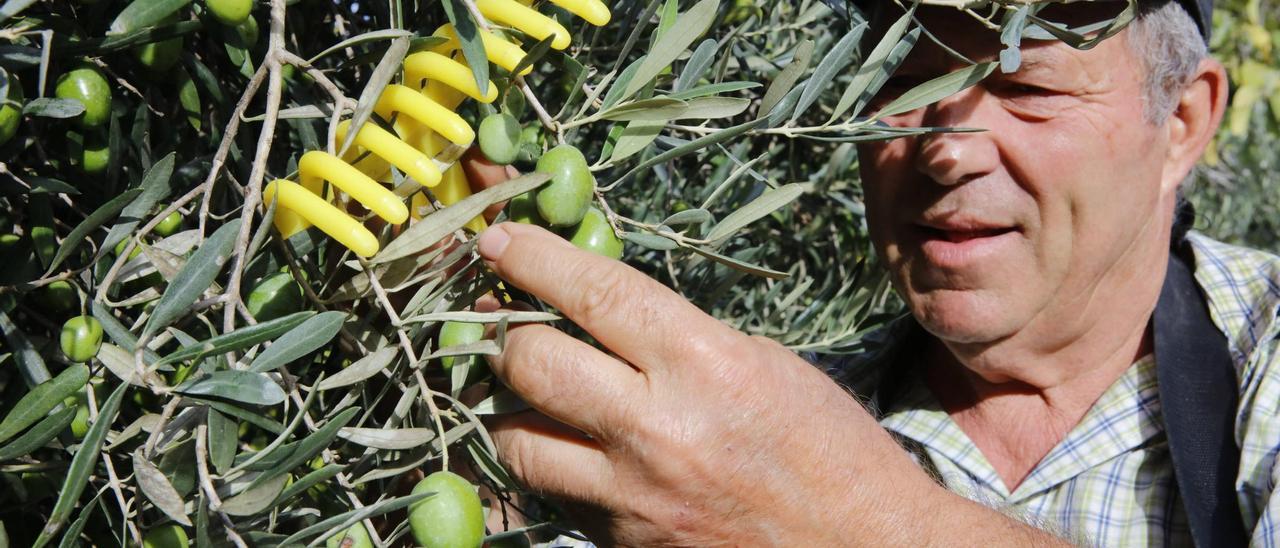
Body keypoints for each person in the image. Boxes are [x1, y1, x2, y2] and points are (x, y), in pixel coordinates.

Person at [459, 0, 1280, 544]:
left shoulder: (1265, 355)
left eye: (1028, 85)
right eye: (908, 79)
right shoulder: (756, 431)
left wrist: (850, 521)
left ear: (1181, 122)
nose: (948, 147)